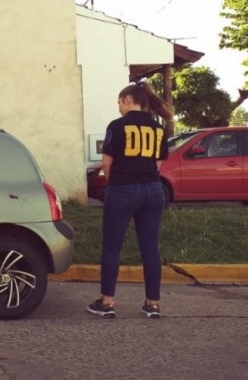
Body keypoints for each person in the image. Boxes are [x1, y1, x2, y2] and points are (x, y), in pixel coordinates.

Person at [87, 80, 172, 319]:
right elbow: (157, 164)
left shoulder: (117, 125)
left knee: (113, 246)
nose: (118, 107)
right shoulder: (158, 128)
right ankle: (153, 304)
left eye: (119, 102)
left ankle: (107, 302)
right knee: (150, 248)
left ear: (127, 100)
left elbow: (106, 163)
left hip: (123, 189)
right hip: (153, 190)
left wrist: (117, 184)